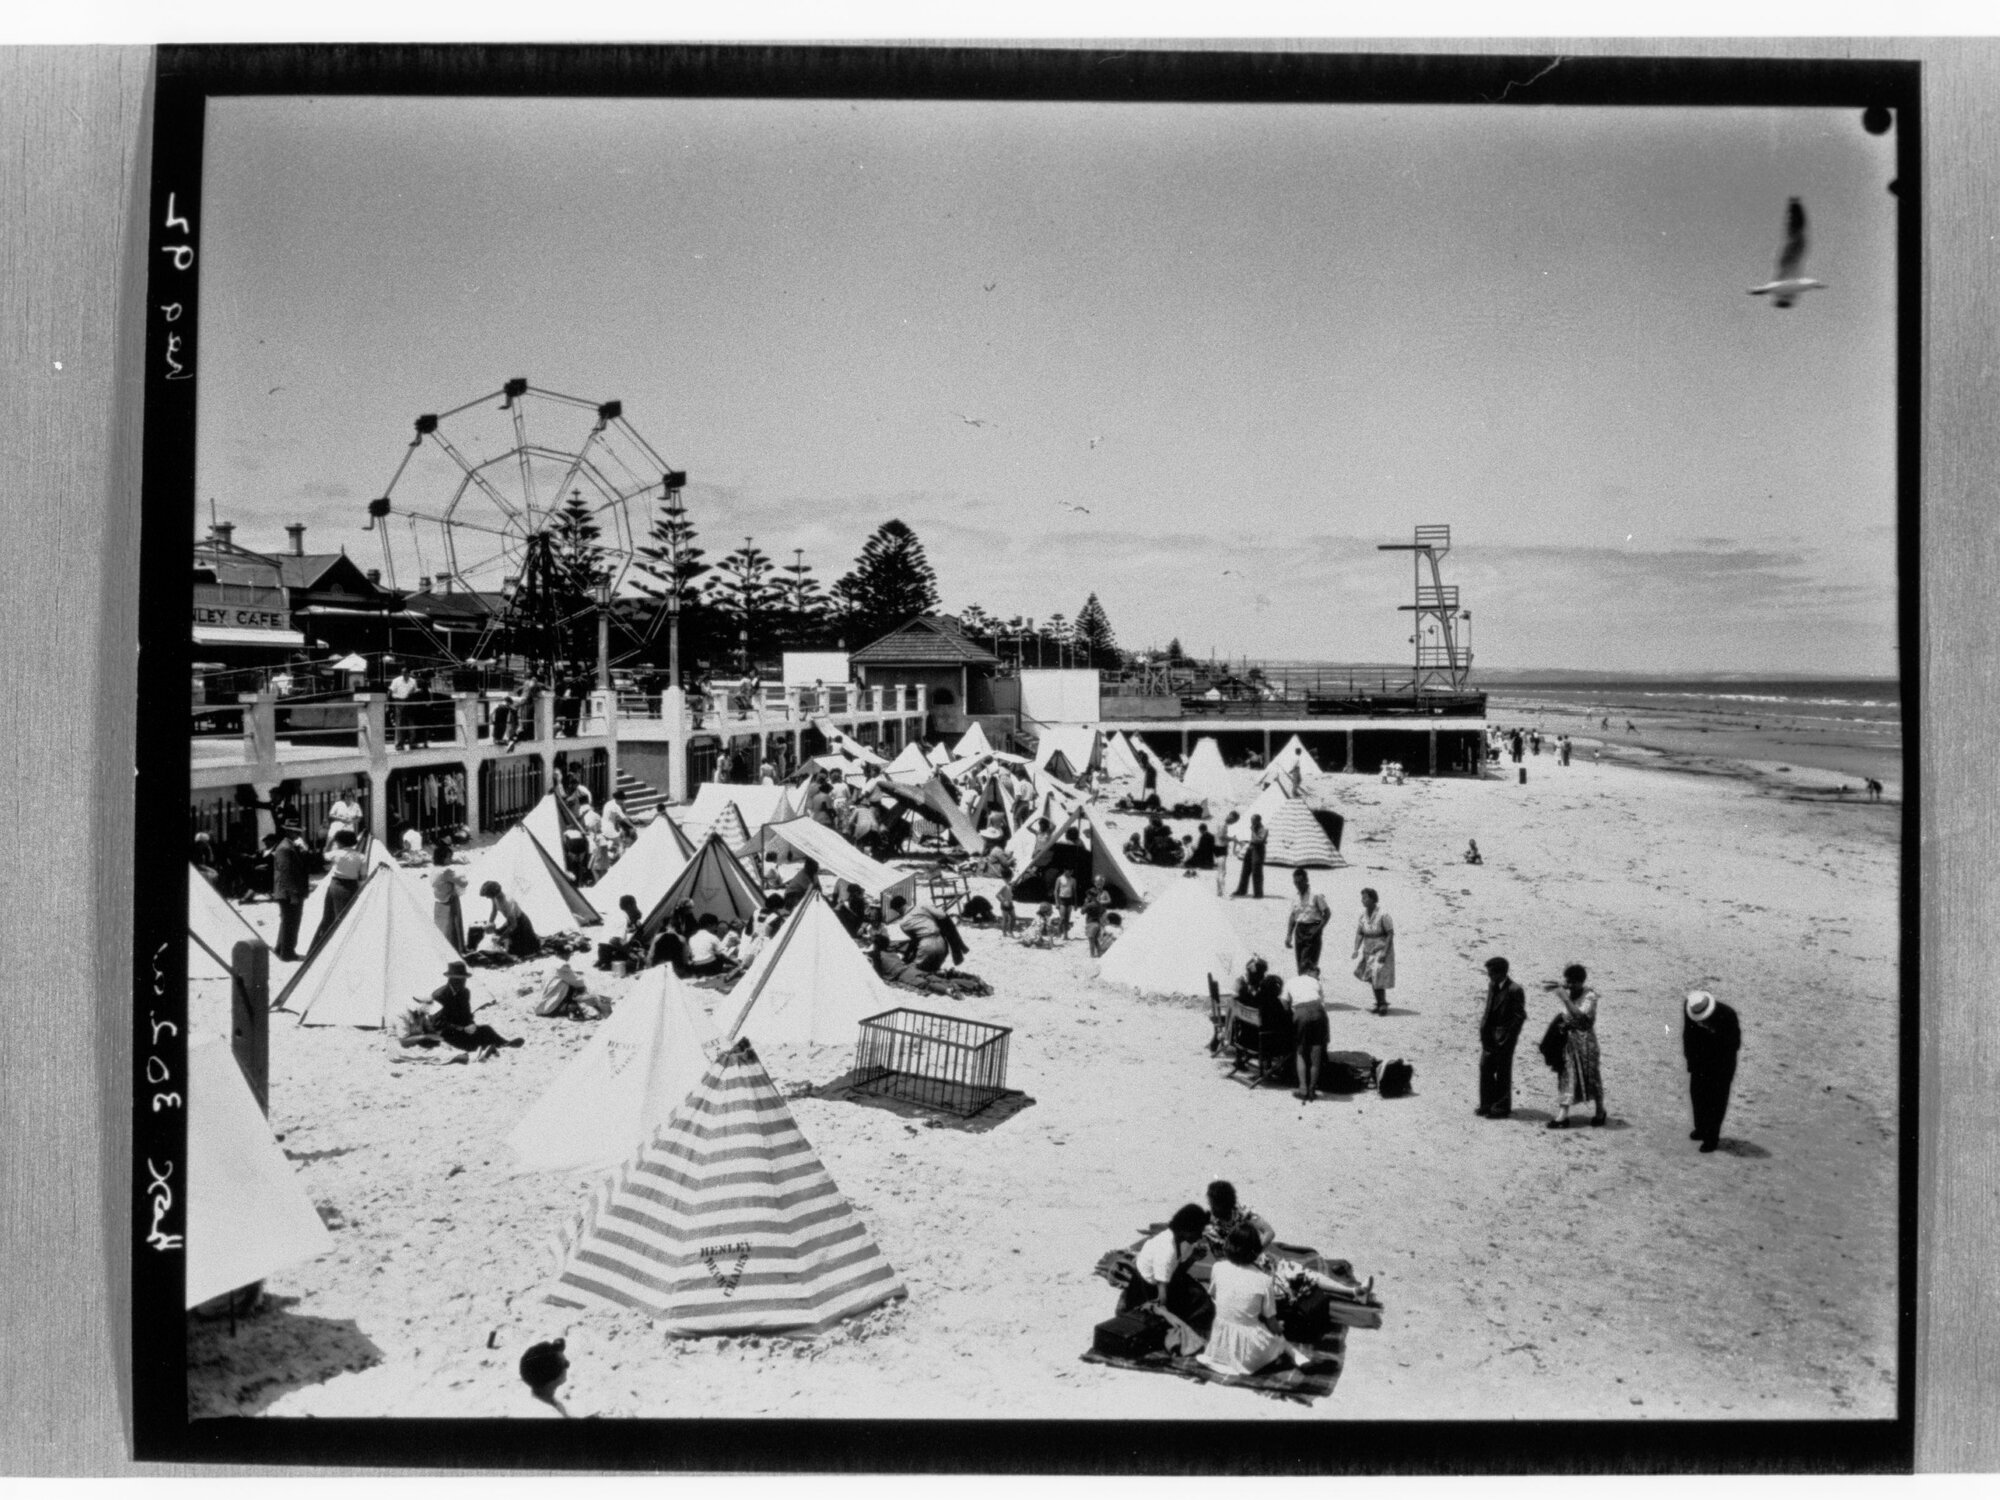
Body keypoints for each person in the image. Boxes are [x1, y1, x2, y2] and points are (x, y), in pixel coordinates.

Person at [1196, 1223, 1294, 1378]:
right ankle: (1290, 1356)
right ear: (1256, 1250)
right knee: (1276, 1339)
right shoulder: (1264, 1279)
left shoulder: (1218, 1267)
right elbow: (1271, 1321)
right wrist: (1279, 1329)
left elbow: (1214, 1295)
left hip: (1220, 1344)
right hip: (1248, 1351)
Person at [1120, 1204, 1213, 1334]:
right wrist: (1167, 1316)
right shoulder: (1167, 1249)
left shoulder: (1182, 1241)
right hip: (1147, 1289)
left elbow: (1177, 1270)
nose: (1199, 1236)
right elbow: (1161, 1297)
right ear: (1184, 1230)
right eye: (1197, 1232)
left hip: (1166, 1279)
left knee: (1199, 1296)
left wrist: (1193, 1258)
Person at [1545, 963, 1608, 1129]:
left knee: (1591, 1076)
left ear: (1581, 982)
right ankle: (1562, 1115)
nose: (1570, 985)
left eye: (1573, 982)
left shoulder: (1590, 996)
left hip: (1585, 1042)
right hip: (1568, 1041)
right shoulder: (1571, 991)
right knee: (1566, 1075)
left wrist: (1565, 998)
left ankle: (1600, 1111)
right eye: (1568, 982)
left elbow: (1580, 1017)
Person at [426, 959, 524, 1062]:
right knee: (469, 1043)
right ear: (451, 979)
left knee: (486, 1029)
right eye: (459, 979)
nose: (462, 982)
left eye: (464, 979)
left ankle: (504, 1043)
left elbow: (467, 1014)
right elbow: (436, 1023)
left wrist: (471, 1024)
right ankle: (485, 1049)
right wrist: (459, 1028)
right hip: (446, 1033)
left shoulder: (465, 992)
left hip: (462, 1029)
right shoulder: (439, 995)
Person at [1683, 989, 1742, 1153]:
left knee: (1716, 1102)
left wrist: (1713, 1035)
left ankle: (1711, 1137)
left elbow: (1734, 1044)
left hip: (1721, 1065)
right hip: (1699, 1063)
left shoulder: (1728, 1015)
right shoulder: (1689, 1008)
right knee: (1698, 1096)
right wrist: (1691, 1061)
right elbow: (1687, 1035)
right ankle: (1701, 1128)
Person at [1476, 955, 1527, 1118]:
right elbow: (1488, 1008)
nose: (1489, 976)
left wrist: (1509, 1037)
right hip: (1489, 1034)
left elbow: (1519, 1017)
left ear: (1502, 973)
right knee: (1486, 1068)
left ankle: (1501, 1107)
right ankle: (1487, 1104)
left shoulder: (1515, 990)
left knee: (1503, 1071)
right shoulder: (1493, 985)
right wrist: (1483, 1030)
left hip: (1505, 1037)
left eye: (1491, 973)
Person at [307, 829, 368, 958]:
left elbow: (322, 855)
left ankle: (324, 945)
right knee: (344, 915)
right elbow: (363, 877)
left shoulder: (336, 853)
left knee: (329, 915)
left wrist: (329, 844)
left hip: (336, 884)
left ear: (339, 842)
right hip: (351, 886)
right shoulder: (361, 857)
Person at [1351, 887, 1396, 1015]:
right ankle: (1380, 1002)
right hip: (1368, 949)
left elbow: (1390, 934)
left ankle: (1382, 1004)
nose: (1362, 901)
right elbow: (1360, 933)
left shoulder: (1383, 914)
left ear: (1373, 899)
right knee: (1372, 976)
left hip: (1381, 947)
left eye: (1365, 898)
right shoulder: (1362, 916)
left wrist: (1384, 952)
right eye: (1362, 898)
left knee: (1378, 974)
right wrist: (1356, 949)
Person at [1286, 969, 1328, 1101]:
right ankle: (1312, 1089)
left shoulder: (1291, 981)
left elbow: (1284, 1002)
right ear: (1310, 972)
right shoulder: (1315, 982)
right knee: (1316, 1053)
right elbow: (1322, 1002)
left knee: (1301, 1052)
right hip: (1318, 1012)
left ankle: (1303, 1089)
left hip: (1301, 1012)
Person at [269, 824, 309, 962]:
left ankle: (281, 948)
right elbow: (286, 873)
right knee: (291, 922)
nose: (298, 835)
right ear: (288, 832)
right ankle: (287, 952)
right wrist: (293, 894)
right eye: (295, 832)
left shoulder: (290, 846)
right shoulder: (285, 848)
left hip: (290, 890)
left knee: (287, 921)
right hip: (288, 892)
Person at [1203, 1181, 1276, 1254]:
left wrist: (1254, 1253)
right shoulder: (1208, 1220)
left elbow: (1269, 1232)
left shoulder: (1243, 1213)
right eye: (1211, 1203)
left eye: (1214, 1204)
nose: (1211, 1207)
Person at [1284, 869, 1331, 977]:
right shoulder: (1295, 896)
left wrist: (1318, 929)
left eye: (1300, 882)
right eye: (1295, 882)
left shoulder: (1316, 894)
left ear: (1306, 880)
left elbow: (1327, 914)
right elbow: (1293, 916)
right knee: (1300, 963)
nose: (1298, 885)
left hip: (1313, 928)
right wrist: (1289, 935)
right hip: (1300, 930)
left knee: (1308, 964)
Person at [478, 880, 539, 959]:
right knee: (498, 934)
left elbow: (514, 925)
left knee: (520, 951)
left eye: (487, 896)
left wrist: (501, 939)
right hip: (510, 921)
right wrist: (490, 923)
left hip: (521, 923)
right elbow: (494, 910)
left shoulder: (506, 903)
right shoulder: (495, 897)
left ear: (493, 894)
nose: (487, 898)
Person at [536, 961, 611, 1020]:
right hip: (553, 1005)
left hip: (544, 1004)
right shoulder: (561, 966)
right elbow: (577, 982)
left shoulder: (550, 963)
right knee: (582, 998)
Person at [518, 1338, 571, 1417]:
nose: (568, 1367)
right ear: (552, 1377)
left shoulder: (547, 1401)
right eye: (566, 1364)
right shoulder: (548, 1414)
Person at [430, 845, 468, 953]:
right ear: (443, 858)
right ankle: (455, 950)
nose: (450, 860)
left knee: (441, 927)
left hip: (438, 901)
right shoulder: (445, 871)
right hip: (449, 901)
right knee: (453, 929)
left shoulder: (434, 869)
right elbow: (463, 883)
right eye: (449, 857)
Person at [1232, 814, 1267, 899]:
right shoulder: (1254, 827)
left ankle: (1258, 893)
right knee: (1245, 870)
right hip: (1251, 848)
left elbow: (1259, 840)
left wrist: (1253, 831)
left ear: (1258, 821)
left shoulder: (1264, 829)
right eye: (1251, 820)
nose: (1252, 822)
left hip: (1258, 850)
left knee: (1256, 871)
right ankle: (1242, 890)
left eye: (1253, 821)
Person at [324, 786, 364, 852]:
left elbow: (360, 817)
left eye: (350, 796)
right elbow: (331, 815)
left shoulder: (356, 805)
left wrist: (352, 821)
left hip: (348, 829)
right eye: (347, 796)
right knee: (333, 847)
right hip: (337, 828)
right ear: (344, 796)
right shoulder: (338, 804)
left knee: (347, 849)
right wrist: (341, 819)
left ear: (352, 796)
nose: (348, 797)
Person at [389, 666, 418, 750]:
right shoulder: (396, 680)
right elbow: (391, 692)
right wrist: (389, 704)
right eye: (403, 673)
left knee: (411, 723)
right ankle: (399, 744)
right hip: (399, 702)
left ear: (409, 673)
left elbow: (415, 691)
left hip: (409, 702)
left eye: (406, 673)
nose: (404, 674)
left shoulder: (413, 681)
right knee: (399, 723)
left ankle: (412, 743)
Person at [1052, 867, 1079, 939]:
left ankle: (1066, 935)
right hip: (1062, 899)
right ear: (1065, 870)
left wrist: (1076, 903)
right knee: (1062, 918)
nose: (1070, 873)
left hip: (1069, 899)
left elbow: (1074, 892)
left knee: (1068, 918)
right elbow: (1056, 891)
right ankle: (1057, 932)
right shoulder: (1060, 879)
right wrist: (1057, 902)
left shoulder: (1073, 880)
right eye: (1068, 871)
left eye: (1071, 872)